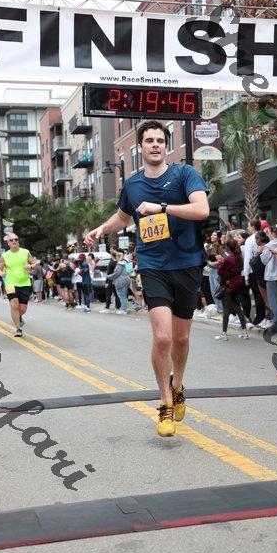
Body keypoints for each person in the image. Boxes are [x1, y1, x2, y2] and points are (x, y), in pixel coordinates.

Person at [85, 119, 209, 437]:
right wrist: (101, 229)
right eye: (149, 140)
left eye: (160, 140)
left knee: (181, 339)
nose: (155, 145)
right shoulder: (133, 185)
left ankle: (178, 386)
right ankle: (165, 402)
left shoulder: (184, 174)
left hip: (187, 263)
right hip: (153, 265)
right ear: (140, 147)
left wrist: (162, 207)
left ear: (166, 145)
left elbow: (201, 210)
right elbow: (124, 217)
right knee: (163, 337)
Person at [0, 233, 38, 337]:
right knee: (14, 305)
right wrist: (2, 274)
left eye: (16, 239)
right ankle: (18, 329)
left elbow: (34, 263)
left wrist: (30, 266)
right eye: (11, 240)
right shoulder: (4, 256)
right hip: (10, 283)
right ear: (8, 243)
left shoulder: (25, 252)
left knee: (23, 309)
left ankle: (18, 317)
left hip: (25, 283)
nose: (14, 241)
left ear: (18, 241)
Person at [215, 237, 248, 341]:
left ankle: (224, 333)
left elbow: (221, 273)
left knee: (226, 309)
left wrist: (220, 263)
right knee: (238, 308)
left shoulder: (229, 259)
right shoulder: (239, 257)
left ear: (228, 247)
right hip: (237, 284)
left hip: (228, 285)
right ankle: (244, 332)